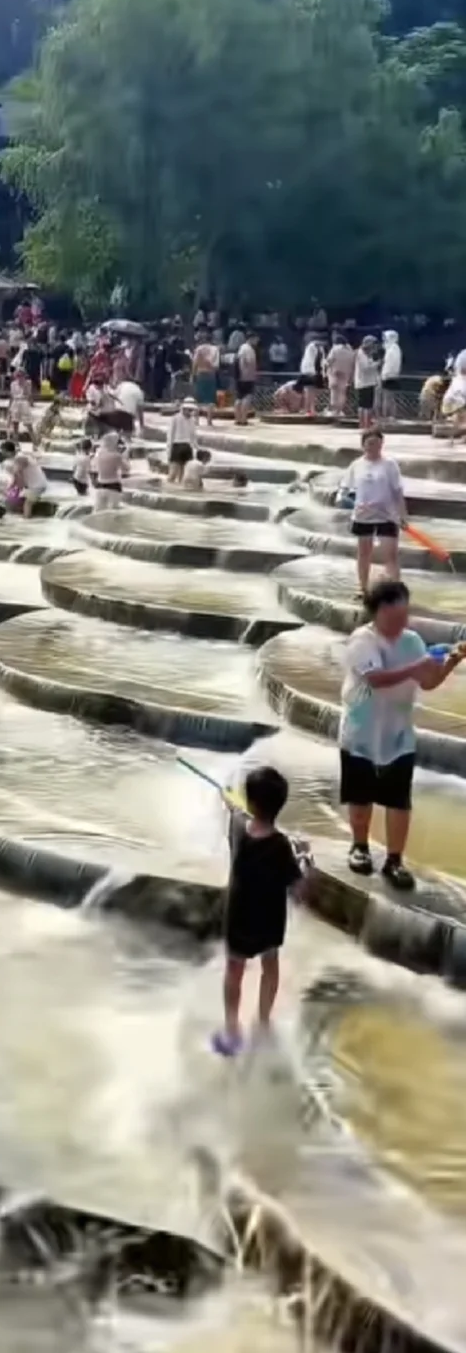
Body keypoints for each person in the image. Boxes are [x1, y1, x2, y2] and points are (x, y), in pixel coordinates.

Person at [339, 578, 466, 891]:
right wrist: (414, 668)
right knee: (361, 793)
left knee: (398, 799)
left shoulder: (412, 641)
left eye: (404, 615)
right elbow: (377, 679)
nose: (400, 622)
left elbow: (428, 682)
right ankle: (360, 847)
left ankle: (394, 860)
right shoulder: (362, 641)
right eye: (394, 616)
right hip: (361, 730)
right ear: (377, 612)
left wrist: (452, 660)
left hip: (398, 734)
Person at [214, 765, 310, 1057]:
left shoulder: (237, 826)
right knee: (270, 965)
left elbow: (233, 810)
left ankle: (232, 1027)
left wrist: (229, 799)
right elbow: (299, 889)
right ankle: (263, 1020)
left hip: (238, 916)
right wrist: (306, 858)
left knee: (234, 970)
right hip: (268, 919)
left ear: (250, 801)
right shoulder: (281, 846)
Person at [337, 429, 406, 595]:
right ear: (363, 445)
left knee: (390, 554)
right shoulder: (356, 465)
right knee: (364, 553)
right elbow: (343, 492)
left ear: (382, 444)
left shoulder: (390, 464)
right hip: (363, 516)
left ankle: (394, 590)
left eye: (377, 443)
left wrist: (402, 514)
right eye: (369, 443)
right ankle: (363, 588)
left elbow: (398, 491)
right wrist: (351, 502)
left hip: (387, 515)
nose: (373, 447)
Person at [1, 442, 48, 518]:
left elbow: (18, 476)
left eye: (3, 452)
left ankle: (26, 522)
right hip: (32, 485)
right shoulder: (18, 458)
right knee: (20, 500)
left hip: (37, 486)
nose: (2, 454)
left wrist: (12, 487)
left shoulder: (21, 458)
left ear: (7, 452)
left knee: (27, 503)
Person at [165, 399, 199, 484]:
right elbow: (170, 434)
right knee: (173, 473)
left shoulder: (192, 420)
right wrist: (169, 449)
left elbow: (193, 435)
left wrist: (196, 447)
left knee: (184, 474)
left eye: (191, 410)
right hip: (177, 445)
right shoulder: (175, 418)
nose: (190, 412)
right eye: (188, 410)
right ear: (183, 409)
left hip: (187, 447)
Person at [92, 430, 128, 504]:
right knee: (112, 512)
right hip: (114, 486)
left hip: (100, 484)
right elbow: (126, 468)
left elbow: (93, 466)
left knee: (99, 510)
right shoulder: (117, 456)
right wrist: (124, 454)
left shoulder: (98, 453)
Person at [353, 336, 380, 431]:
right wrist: (377, 363)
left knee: (365, 405)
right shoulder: (361, 354)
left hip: (368, 382)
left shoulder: (367, 354)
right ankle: (365, 425)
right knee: (366, 406)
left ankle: (365, 424)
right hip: (364, 382)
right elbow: (365, 368)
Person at [324, 334, 354, 418]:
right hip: (346, 374)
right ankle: (340, 411)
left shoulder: (335, 349)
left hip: (334, 373)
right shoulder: (350, 351)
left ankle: (333, 411)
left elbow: (328, 361)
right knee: (342, 393)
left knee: (334, 393)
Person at [191, 337, 219, 424]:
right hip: (211, 374)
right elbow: (216, 365)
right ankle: (209, 420)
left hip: (201, 373)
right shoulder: (215, 349)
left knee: (198, 398)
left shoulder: (199, 349)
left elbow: (194, 363)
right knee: (210, 399)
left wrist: (192, 375)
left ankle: (196, 420)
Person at [379, 329, 402, 421]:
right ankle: (391, 416)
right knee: (391, 397)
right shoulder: (396, 348)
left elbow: (388, 364)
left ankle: (386, 416)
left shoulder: (392, 349)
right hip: (394, 375)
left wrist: (384, 375)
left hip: (387, 376)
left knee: (387, 397)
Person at [234, 335, 258, 425]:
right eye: (256, 339)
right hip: (247, 376)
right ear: (251, 339)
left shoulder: (241, 348)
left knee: (239, 397)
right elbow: (249, 361)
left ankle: (237, 419)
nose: (257, 341)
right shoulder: (248, 349)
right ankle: (244, 419)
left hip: (239, 376)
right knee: (247, 397)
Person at [299, 335, 323, 415]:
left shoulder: (317, 348)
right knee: (309, 392)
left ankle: (310, 409)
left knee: (311, 392)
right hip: (309, 371)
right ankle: (308, 410)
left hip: (314, 371)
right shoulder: (311, 347)